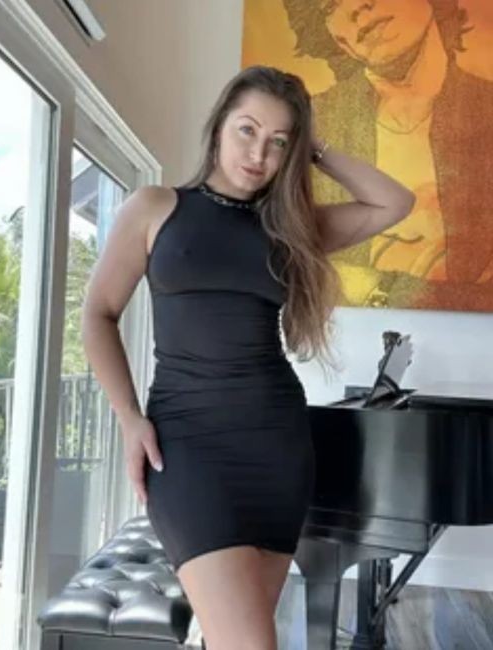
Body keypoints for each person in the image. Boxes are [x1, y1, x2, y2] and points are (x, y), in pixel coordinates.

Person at [81, 65, 414, 650]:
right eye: (247, 130)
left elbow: (393, 202)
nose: (259, 153)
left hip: (276, 448)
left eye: (278, 142)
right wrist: (129, 417)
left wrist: (314, 148)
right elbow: (98, 313)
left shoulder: (291, 229)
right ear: (219, 126)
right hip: (186, 447)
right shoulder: (156, 207)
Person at [283, 0, 493, 310]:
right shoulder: (309, 122)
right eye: (329, 6)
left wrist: (379, 287)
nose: (356, 7)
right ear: (334, 37)